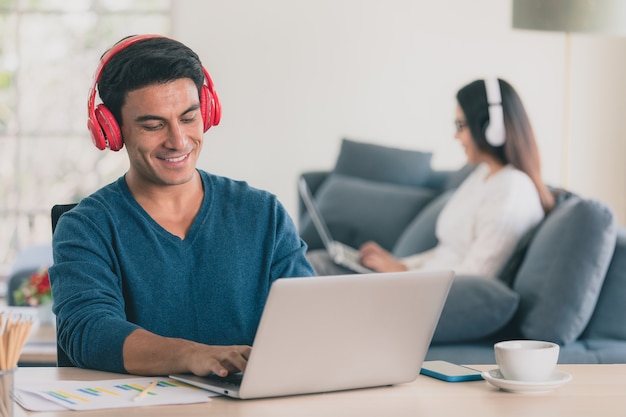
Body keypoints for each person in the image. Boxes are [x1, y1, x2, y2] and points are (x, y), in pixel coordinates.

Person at [49, 35, 314, 377]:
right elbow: (89, 331)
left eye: (188, 118)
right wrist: (192, 355)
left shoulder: (263, 213)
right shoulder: (86, 226)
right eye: (153, 125)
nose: (178, 140)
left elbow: (309, 319)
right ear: (112, 131)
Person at [308, 78, 554, 278]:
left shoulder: (512, 190)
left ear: (491, 128)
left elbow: (477, 276)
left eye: (460, 126)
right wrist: (401, 265)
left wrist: (402, 275)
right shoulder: (481, 175)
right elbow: (446, 253)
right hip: (416, 281)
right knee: (316, 263)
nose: (456, 136)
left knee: (313, 267)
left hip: (425, 292)